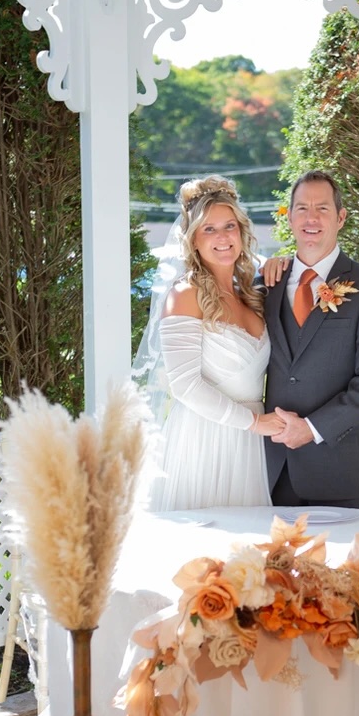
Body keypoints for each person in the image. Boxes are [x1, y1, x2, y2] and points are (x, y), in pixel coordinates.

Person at [134, 175, 284, 510]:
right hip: (204, 440)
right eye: (209, 229)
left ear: (242, 232)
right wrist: (256, 423)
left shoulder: (250, 293)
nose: (222, 237)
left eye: (229, 226)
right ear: (193, 240)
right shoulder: (185, 294)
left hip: (247, 445)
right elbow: (185, 386)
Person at [263, 170, 359, 510]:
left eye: (322, 209)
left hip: (340, 475)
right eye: (302, 208)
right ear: (289, 217)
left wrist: (311, 428)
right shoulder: (265, 285)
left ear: (340, 218)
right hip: (269, 473)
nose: (311, 218)